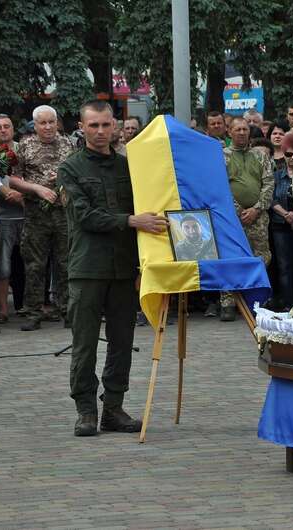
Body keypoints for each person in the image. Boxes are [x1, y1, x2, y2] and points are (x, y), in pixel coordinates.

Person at [58, 99, 168, 437]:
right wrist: (131, 220)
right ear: (82, 127)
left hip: (123, 268)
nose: (101, 132)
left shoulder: (128, 167)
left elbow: (152, 208)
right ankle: (86, 411)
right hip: (88, 267)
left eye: (106, 125)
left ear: (115, 127)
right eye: (94, 125)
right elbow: (84, 216)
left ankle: (114, 408)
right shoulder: (70, 168)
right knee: (85, 343)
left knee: (122, 341)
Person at [10, 105, 74, 331]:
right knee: (35, 265)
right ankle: (33, 312)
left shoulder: (70, 144)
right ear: (34, 125)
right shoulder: (24, 146)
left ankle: (67, 310)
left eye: (51, 122)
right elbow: (13, 179)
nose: (47, 127)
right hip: (37, 214)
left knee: (66, 264)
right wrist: (36, 188)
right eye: (42, 123)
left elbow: (80, 175)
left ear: (57, 122)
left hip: (64, 213)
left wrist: (65, 178)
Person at [218, 117, 274, 320]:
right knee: (230, 258)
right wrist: (237, 210)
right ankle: (228, 302)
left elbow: (268, 182)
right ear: (229, 132)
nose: (242, 132)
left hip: (258, 217)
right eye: (237, 129)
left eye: (245, 129)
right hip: (231, 218)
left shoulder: (260, 155)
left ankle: (255, 299)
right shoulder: (221, 156)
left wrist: (257, 209)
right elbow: (219, 187)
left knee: (260, 258)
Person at [0, 114, 25, 321]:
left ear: (13, 128)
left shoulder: (25, 149)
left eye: (6, 126)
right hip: (2, 217)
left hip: (28, 214)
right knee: (3, 265)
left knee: (32, 264)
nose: (3, 130)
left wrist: (22, 194)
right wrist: (3, 191)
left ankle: (30, 307)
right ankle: (3, 310)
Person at [269, 131, 293, 310]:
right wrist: (286, 214)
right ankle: (286, 304)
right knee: (284, 266)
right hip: (280, 225)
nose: (292, 158)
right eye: (288, 154)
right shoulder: (276, 175)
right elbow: (270, 197)